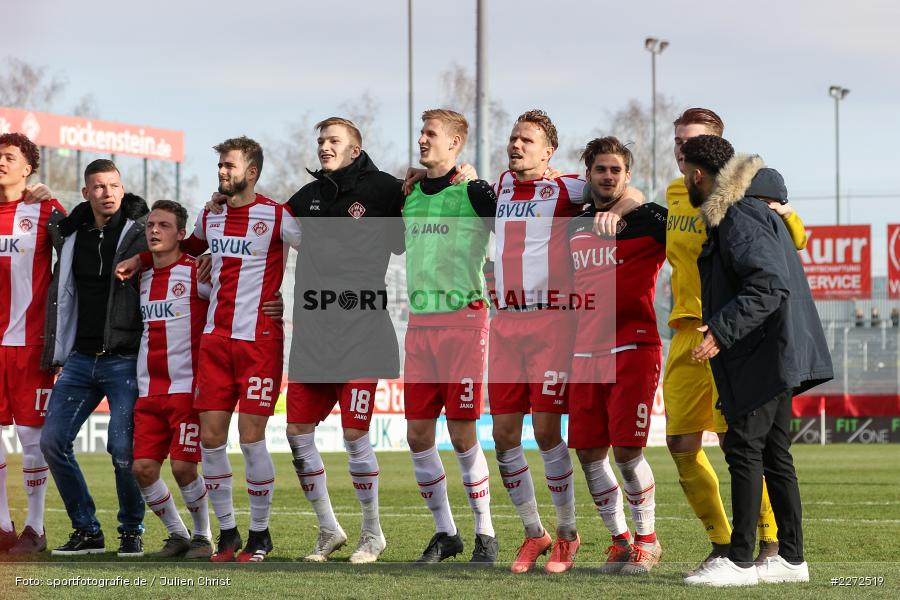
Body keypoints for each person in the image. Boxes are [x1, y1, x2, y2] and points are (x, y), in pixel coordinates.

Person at [120, 136, 300, 562]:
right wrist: (144, 260)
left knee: (251, 438)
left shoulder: (277, 215)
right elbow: (181, 251)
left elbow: (321, 255)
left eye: (230, 166)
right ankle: (228, 535)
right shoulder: (210, 217)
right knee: (214, 442)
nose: (222, 172)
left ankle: (260, 535)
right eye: (220, 165)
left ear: (251, 172)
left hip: (259, 341)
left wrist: (289, 298)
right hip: (215, 344)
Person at [488, 110, 642, 574]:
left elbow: (629, 192)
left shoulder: (568, 188)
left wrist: (615, 211)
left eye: (527, 140)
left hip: (551, 325)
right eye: (514, 138)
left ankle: (567, 535)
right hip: (504, 327)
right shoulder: (499, 186)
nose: (516, 145)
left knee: (548, 432)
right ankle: (533, 533)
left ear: (548, 151)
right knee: (503, 436)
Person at [661, 108, 809, 573]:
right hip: (691, 330)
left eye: (693, 142)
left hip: (736, 332)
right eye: (678, 142)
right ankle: (726, 542)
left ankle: (761, 547)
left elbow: (784, 252)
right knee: (683, 442)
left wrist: (787, 214)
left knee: (745, 445)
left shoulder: (746, 198)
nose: (683, 150)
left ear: (715, 150)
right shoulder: (674, 195)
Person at [682, 135, 833, 586]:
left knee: (745, 450)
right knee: (772, 454)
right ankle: (790, 560)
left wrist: (721, 330)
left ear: (696, 174)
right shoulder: (746, 212)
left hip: (762, 354)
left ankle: (741, 561)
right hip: (774, 350)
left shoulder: (737, 215)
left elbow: (768, 284)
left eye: (682, 167)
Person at [282, 117, 402, 564]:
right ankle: (329, 530)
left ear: (355, 150)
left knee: (354, 433)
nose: (324, 147)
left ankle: (372, 534)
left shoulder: (385, 189)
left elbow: (416, 219)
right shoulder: (309, 194)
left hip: (361, 332)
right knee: (297, 432)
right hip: (313, 332)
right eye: (321, 141)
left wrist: (461, 175)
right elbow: (268, 223)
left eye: (334, 141)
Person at [402, 109, 497, 564]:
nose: (422, 139)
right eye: (421, 132)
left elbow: (521, 219)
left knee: (462, 434)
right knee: (418, 435)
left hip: (464, 321)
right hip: (420, 325)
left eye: (431, 134)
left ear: (455, 142)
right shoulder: (410, 194)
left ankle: (486, 533)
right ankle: (447, 534)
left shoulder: (475, 191)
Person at [567, 137, 666, 575]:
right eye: (600, 169)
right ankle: (620, 540)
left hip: (635, 345)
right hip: (586, 349)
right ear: (588, 174)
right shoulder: (574, 224)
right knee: (589, 452)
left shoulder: (651, 218)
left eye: (616, 170)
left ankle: (648, 540)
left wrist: (626, 206)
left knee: (627, 451)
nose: (608, 176)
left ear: (628, 176)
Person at [40, 159, 148, 557]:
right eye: (99, 187)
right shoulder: (69, 235)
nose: (107, 193)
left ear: (123, 189)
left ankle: (131, 531)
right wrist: (43, 197)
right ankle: (86, 530)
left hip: (125, 359)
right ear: (86, 193)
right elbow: (44, 221)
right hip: (80, 360)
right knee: (52, 442)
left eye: (114, 185)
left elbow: (175, 248)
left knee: (122, 449)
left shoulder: (140, 232)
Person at [124, 200, 213, 559]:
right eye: (151, 226)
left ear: (181, 234)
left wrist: (275, 303)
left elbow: (231, 300)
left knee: (182, 466)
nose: (155, 231)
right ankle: (177, 535)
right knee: (143, 469)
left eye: (163, 225)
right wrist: (140, 259)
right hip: (148, 391)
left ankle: (203, 536)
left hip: (186, 390)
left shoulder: (196, 272)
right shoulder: (141, 274)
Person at [0, 133, 65, 555]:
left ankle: (35, 528)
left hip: (30, 343)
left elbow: (82, 260)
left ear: (28, 167)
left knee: (31, 438)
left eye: (8, 157)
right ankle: (2, 526)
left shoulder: (45, 209)